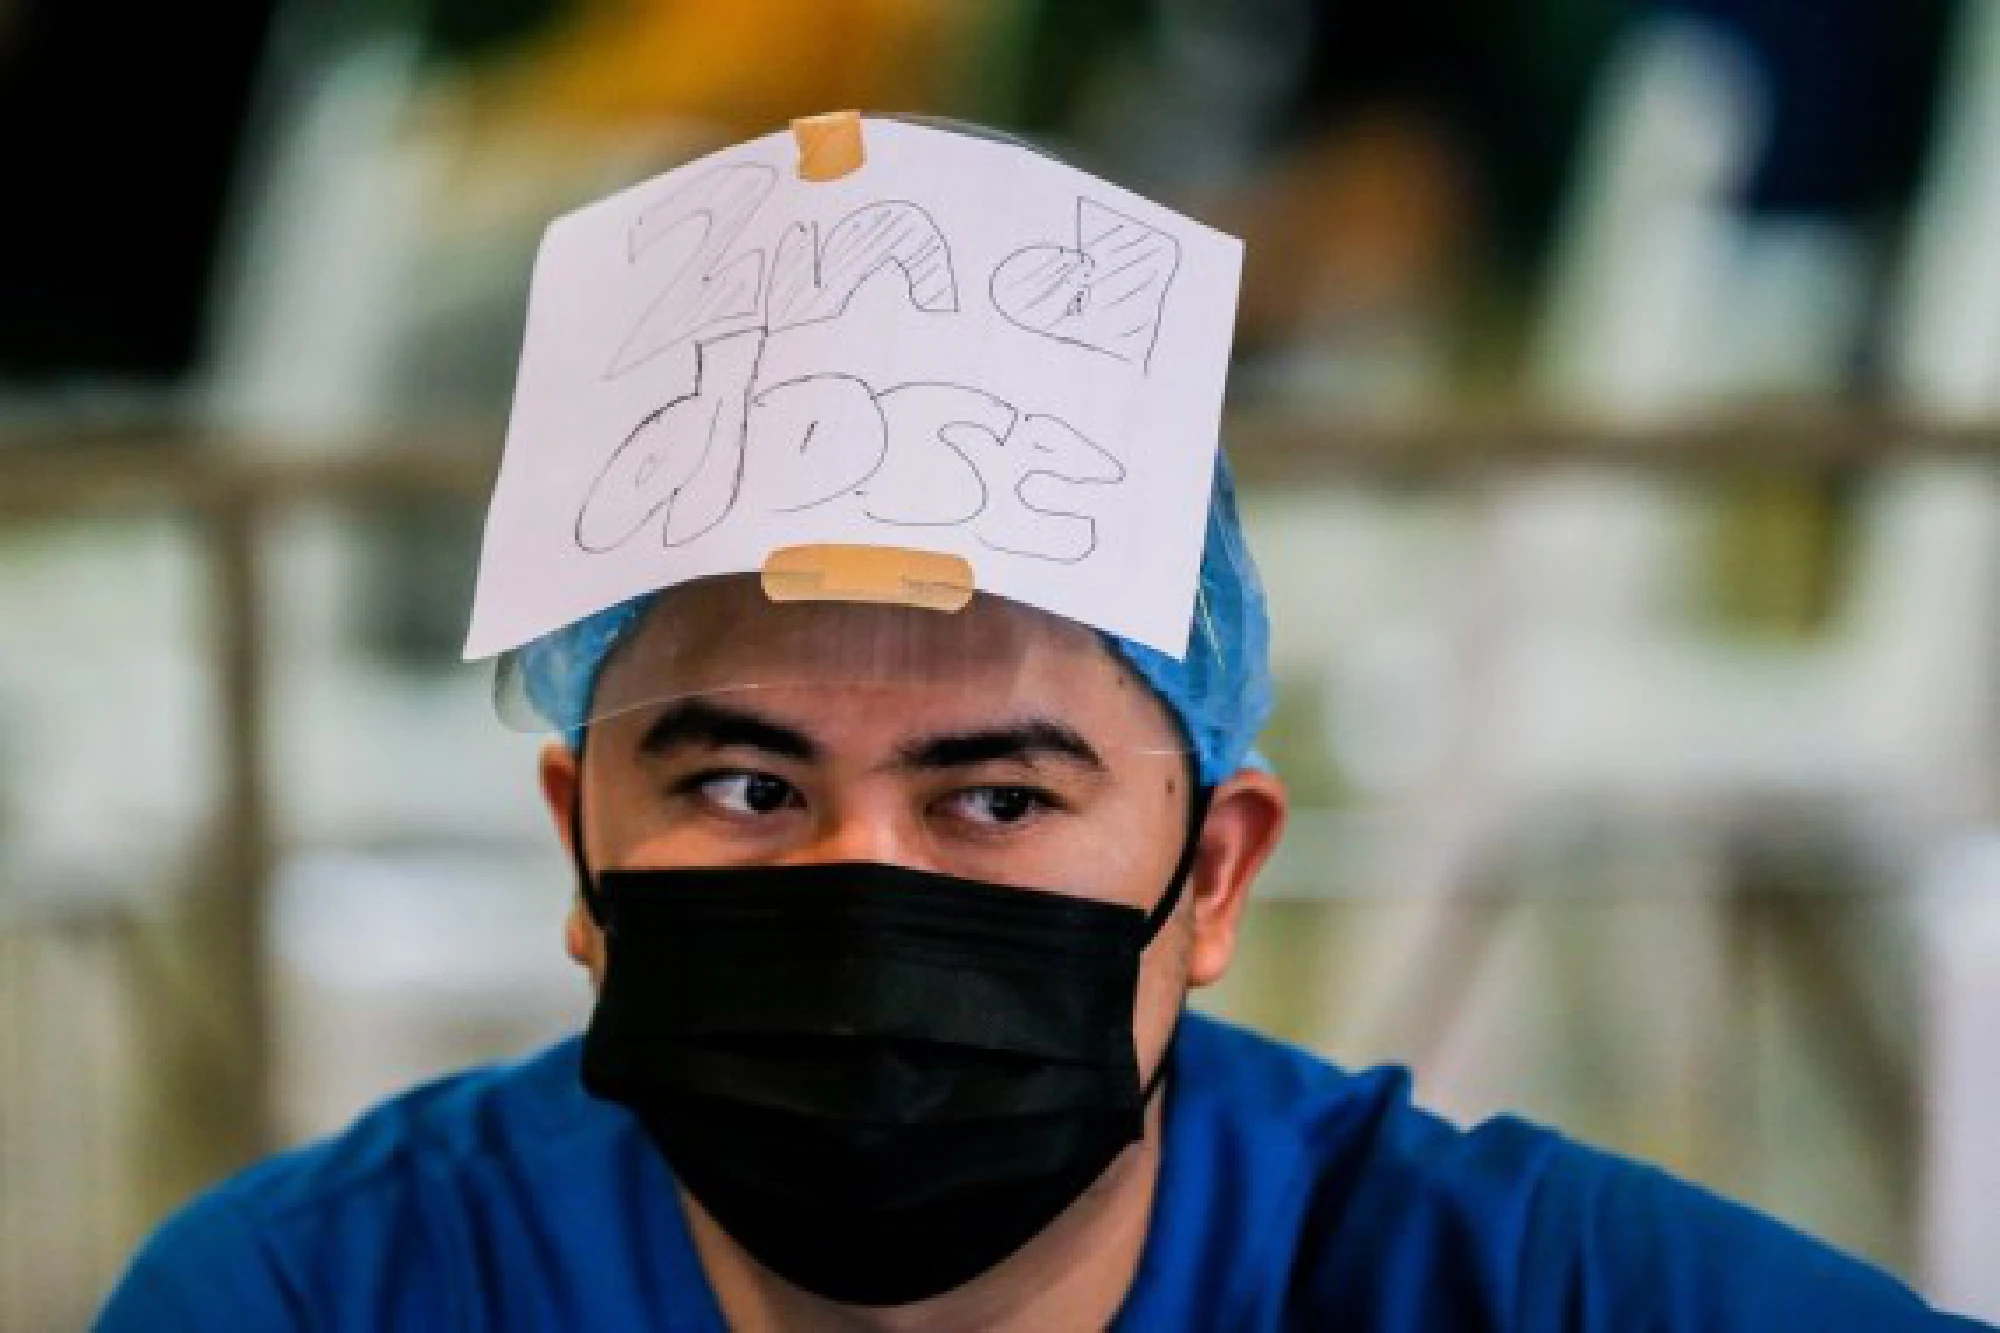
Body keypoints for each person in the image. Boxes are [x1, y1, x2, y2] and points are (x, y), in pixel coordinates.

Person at [97, 118, 1990, 1332]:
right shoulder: (329, 1296)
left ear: (1219, 867)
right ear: (576, 843)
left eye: (995, 795)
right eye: (747, 783)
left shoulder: (1528, 1293)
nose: (861, 888)